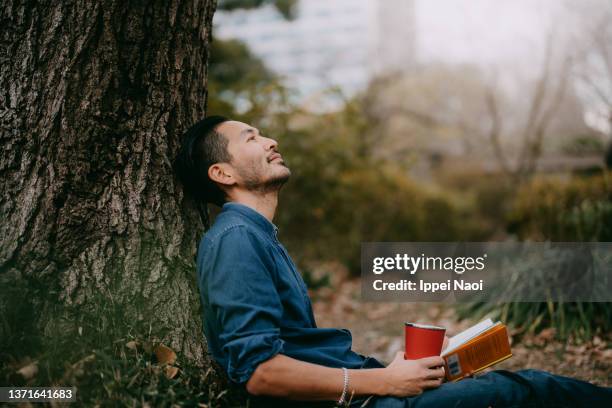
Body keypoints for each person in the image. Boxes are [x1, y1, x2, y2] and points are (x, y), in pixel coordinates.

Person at [174, 116, 612, 407]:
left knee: (508, 386)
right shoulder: (235, 241)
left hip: (368, 391)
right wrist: (386, 383)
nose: (270, 140)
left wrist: (399, 371)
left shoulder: (256, 237)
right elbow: (260, 373)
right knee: (525, 391)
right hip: (365, 403)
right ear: (223, 174)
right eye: (251, 138)